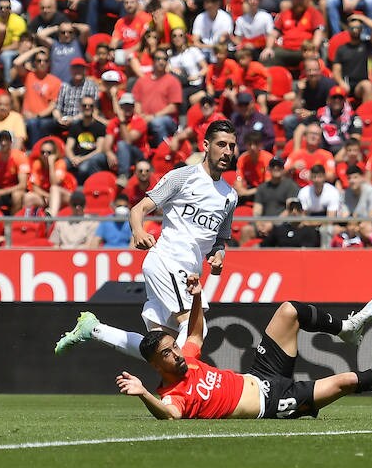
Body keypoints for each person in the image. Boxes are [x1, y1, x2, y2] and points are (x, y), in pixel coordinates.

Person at [114, 274, 372, 420]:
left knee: (289, 310)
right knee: (345, 381)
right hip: (271, 403)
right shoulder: (173, 396)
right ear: (157, 366)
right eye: (167, 354)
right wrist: (144, 393)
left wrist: (198, 294)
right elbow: (170, 415)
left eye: (173, 346)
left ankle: (346, 329)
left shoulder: (186, 358)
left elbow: (197, 333)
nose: (176, 353)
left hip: (261, 375)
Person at [56, 120, 238, 358]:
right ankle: (180, 393)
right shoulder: (182, 178)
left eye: (231, 146)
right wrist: (139, 232)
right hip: (169, 260)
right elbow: (138, 209)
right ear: (205, 145)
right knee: (195, 329)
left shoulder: (230, 196)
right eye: (221, 144)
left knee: (159, 350)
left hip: (190, 269)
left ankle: (94, 329)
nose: (227, 152)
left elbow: (219, 241)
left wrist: (218, 256)